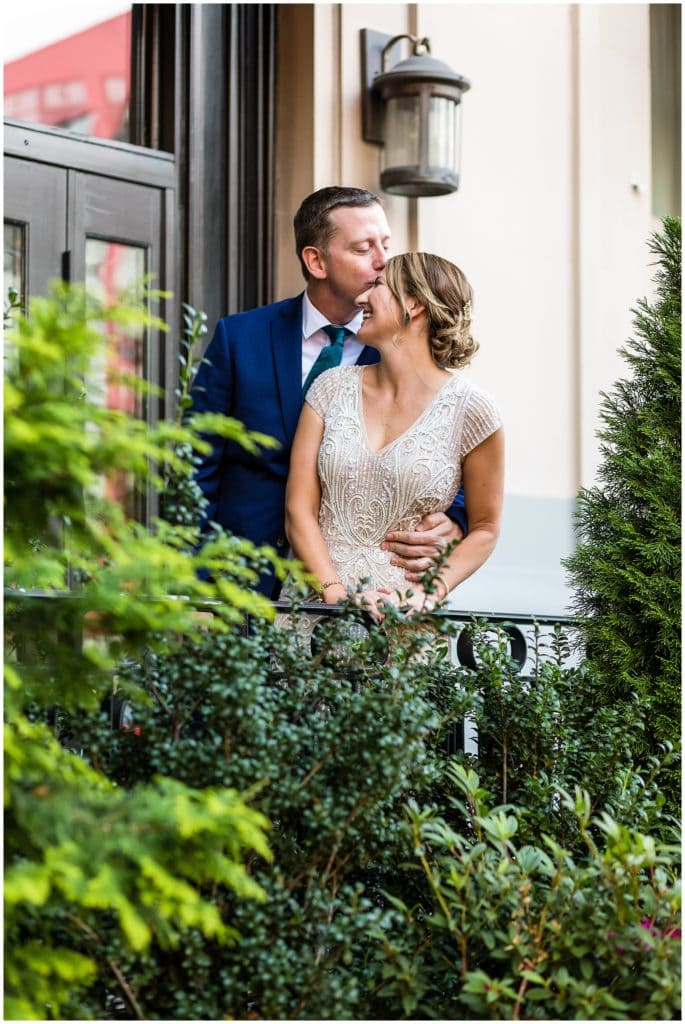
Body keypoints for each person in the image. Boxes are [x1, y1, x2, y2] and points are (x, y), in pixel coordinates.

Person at [190, 186, 467, 598]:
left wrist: (455, 520)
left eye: (385, 245)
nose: (382, 262)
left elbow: (442, 446)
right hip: (240, 590)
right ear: (316, 261)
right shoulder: (239, 338)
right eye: (362, 249)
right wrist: (197, 582)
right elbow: (195, 464)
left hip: (362, 594)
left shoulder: (403, 350)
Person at [284, 252, 504, 621]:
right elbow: (298, 511)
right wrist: (336, 597)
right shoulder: (329, 388)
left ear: (414, 304)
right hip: (315, 616)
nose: (360, 298)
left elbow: (485, 529)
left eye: (377, 287)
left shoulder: (475, 412)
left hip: (404, 623)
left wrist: (428, 596)